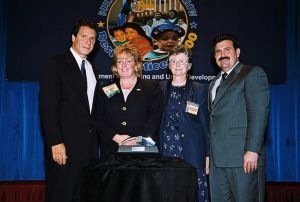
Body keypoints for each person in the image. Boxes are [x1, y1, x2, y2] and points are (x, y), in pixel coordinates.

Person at [39, 19, 99, 202]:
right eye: (83, 36)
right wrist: (55, 142)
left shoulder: (92, 68)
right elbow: (47, 107)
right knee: (61, 196)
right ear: (73, 38)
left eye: (92, 39)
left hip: (88, 151)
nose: (88, 42)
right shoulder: (55, 64)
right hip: (64, 149)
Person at [208, 34, 269, 202]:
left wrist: (252, 150)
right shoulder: (214, 83)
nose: (223, 54)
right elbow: (212, 122)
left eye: (227, 49)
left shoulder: (252, 74)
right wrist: (209, 156)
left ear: (238, 52)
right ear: (214, 57)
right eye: (218, 52)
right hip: (217, 162)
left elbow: (258, 114)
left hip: (242, 157)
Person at [94, 44, 163, 161]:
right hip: (112, 150)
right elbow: (98, 119)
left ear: (136, 65)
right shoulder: (105, 89)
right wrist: (115, 137)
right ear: (116, 66)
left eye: (128, 61)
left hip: (141, 151)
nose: (124, 65)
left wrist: (136, 139)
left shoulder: (151, 88)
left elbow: (154, 117)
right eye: (120, 61)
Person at [159, 44, 210, 202]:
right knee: (169, 191)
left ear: (189, 66)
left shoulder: (201, 90)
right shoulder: (159, 89)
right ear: (168, 66)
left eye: (182, 61)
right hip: (166, 149)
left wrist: (207, 155)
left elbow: (206, 126)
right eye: (173, 61)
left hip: (193, 150)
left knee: (193, 192)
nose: (177, 65)